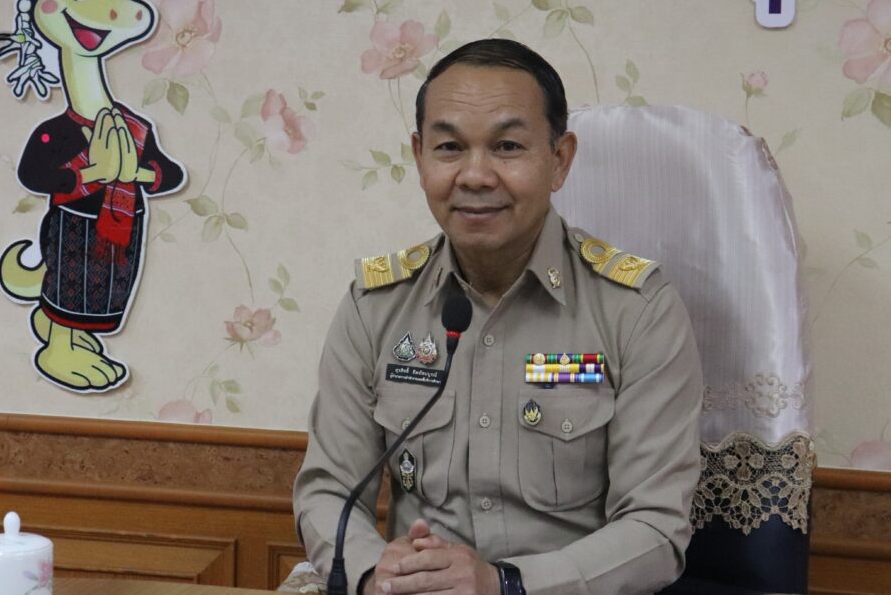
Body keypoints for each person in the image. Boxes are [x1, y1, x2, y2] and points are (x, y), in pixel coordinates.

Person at [293, 39, 703, 595]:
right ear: (419, 157)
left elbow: (655, 529)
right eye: (449, 147)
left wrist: (505, 584)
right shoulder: (377, 306)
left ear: (560, 160)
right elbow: (328, 491)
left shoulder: (637, 310)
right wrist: (373, 573)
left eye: (507, 146)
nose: (475, 175)